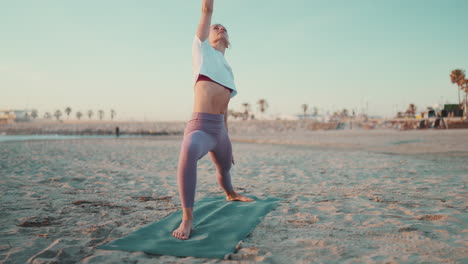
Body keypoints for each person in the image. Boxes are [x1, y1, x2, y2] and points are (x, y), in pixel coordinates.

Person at [172, 0, 253, 240]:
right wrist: (209, 10)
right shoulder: (202, 50)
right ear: (206, 35)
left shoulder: (228, 69)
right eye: (215, 26)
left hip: (219, 130)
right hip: (201, 127)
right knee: (188, 151)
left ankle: (230, 193)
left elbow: (225, 107)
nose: (220, 28)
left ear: (229, 41)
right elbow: (207, 9)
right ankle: (187, 218)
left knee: (225, 168)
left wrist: (227, 137)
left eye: (224, 28)